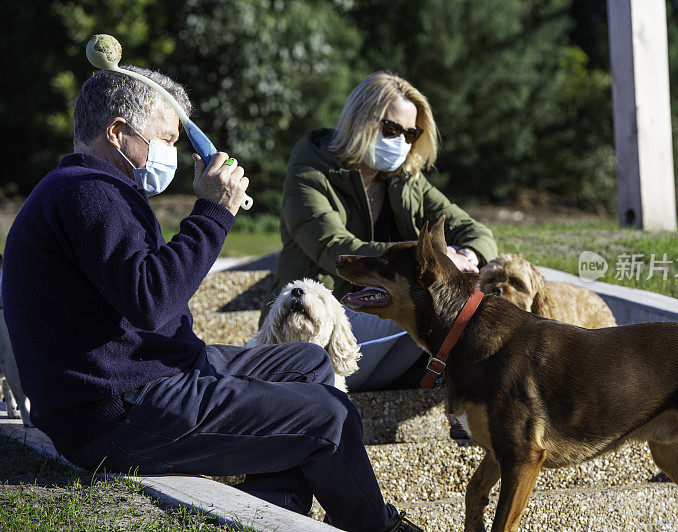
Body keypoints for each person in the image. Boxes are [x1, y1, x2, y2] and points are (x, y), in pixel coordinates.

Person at [2, 67, 421, 532]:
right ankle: (379, 528)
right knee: (330, 415)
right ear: (118, 133)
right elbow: (153, 300)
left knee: (304, 361)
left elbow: (143, 299)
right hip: (116, 413)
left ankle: (275, 507)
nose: (174, 155)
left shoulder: (88, 188)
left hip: (148, 378)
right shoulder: (90, 194)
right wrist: (213, 212)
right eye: (165, 139)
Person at [261, 71, 498, 391]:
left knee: (495, 287)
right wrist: (436, 259)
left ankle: (481, 399)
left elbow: (473, 230)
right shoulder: (310, 172)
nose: (401, 142)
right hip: (320, 335)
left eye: (411, 134)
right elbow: (335, 247)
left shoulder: (405, 180)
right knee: (422, 299)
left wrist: (467, 254)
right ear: (359, 121)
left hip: (380, 333)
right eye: (390, 129)